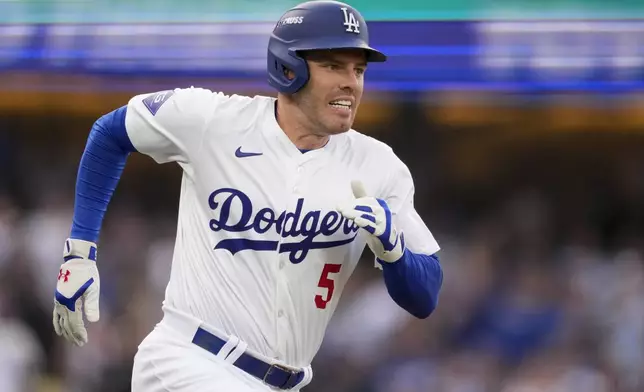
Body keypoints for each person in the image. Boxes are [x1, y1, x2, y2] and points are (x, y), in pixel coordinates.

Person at [52, 1, 444, 390]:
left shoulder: (378, 165)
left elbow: (425, 296)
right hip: (186, 361)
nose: (351, 82)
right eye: (333, 66)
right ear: (289, 66)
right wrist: (80, 250)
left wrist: (394, 253)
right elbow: (111, 132)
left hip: (283, 382)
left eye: (358, 70)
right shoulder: (213, 120)